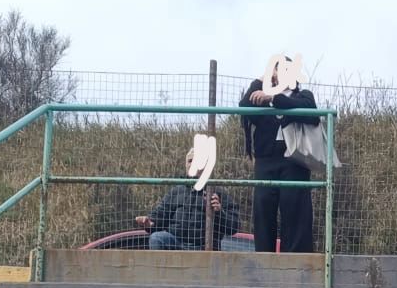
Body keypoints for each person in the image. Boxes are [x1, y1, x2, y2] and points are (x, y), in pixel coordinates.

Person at [239, 69, 320, 254]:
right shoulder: (261, 95)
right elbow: (244, 105)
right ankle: (264, 256)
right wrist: (260, 80)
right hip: (265, 161)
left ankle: (295, 258)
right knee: (263, 208)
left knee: (295, 208)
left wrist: (273, 98)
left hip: (295, 161)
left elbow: (311, 112)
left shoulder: (302, 96)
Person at [135, 184, 240, 250]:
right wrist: (150, 222)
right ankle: (160, 280)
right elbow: (160, 215)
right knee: (157, 238)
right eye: (189, 161)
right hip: (176, 244)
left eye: (196, 160)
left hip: (204, 248)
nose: (193, 164)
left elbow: (234, 227)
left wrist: (219, 212)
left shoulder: (219, 193)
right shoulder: (176, 191)